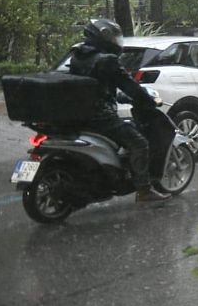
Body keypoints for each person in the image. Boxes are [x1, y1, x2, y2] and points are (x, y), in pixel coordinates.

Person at [68, 19, 170, 203]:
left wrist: (120, 97)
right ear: (103, 38)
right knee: (139, 143)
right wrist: (147, 99)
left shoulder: (78, 56)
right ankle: (144, 190)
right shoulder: (107, 60)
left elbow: (95, 87)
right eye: (113, 38)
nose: (116, 42)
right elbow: (129, 85)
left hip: (77, 115)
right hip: (100, 117)